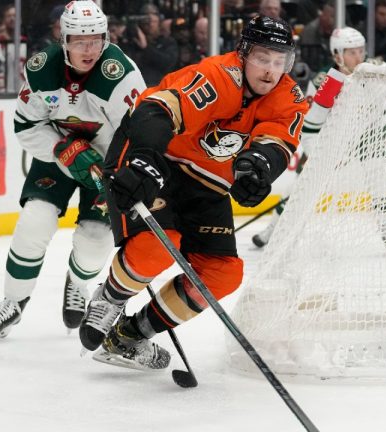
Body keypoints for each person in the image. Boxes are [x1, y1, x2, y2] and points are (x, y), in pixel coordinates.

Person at [77, 15, 309, 370]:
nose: (270, 71)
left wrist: (256, 170)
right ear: (243, 54)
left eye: (280, 61)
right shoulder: (218, 77)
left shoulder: (288, 96)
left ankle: (129, 335)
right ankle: (110, 296)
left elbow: (277, 142)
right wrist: (143, 159)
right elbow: (155, 112)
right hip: (158, 158)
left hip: (206, 182)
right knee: (157, 244)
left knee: (222, 273)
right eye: (263, 58)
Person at [0, 0, 146, 342]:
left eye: (96, 39)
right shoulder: (41, 69)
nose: (89, 49)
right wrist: (60, 148)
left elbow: (141, 135)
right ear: (63, 39)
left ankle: (78, 284)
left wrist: (119, 170)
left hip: (107, 167)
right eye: (80, 41)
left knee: (95, 241)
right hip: (58, 155)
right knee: (34, 222)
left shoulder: (120, 76)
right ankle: (13, 301)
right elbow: (26, 127)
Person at [252, 27, 386, 248]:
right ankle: (272, 231)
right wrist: (319, 154)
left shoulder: (377, 70)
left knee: (381, 180)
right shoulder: (325, 81)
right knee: (300, 188)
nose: (358, 57)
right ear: (337, 54)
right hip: (332, 142)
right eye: (351, 52)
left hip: (366, 139)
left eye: (360, 50)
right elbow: (310, 126)